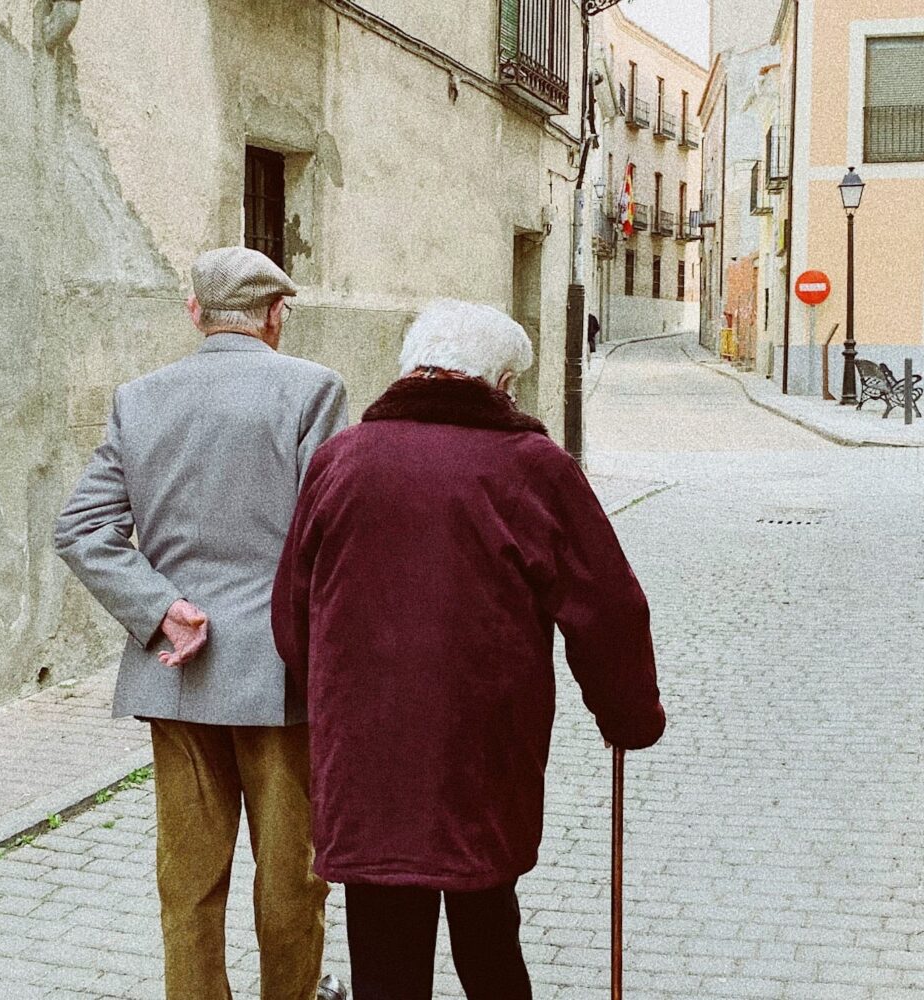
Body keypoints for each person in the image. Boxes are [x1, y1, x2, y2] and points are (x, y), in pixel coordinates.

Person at [271, 299, 665, 1000]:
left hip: (367, 757)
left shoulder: (340, 460)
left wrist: (330, 697)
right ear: (503, 383)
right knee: (487, 933)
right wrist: (628, 714)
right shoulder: (531, 467)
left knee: (383, 952)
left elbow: (291, 613)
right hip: (483, 753)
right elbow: (608, 607)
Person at [55, 246, 350, 1000]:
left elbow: (81, 530)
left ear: (194, 312)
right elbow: (332, 534)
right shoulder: (314, 390)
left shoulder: (140, 397)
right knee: (291, 879)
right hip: (282, 678)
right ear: (276, 316)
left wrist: (158, 608)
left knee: (186, 883)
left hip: (178, 673)